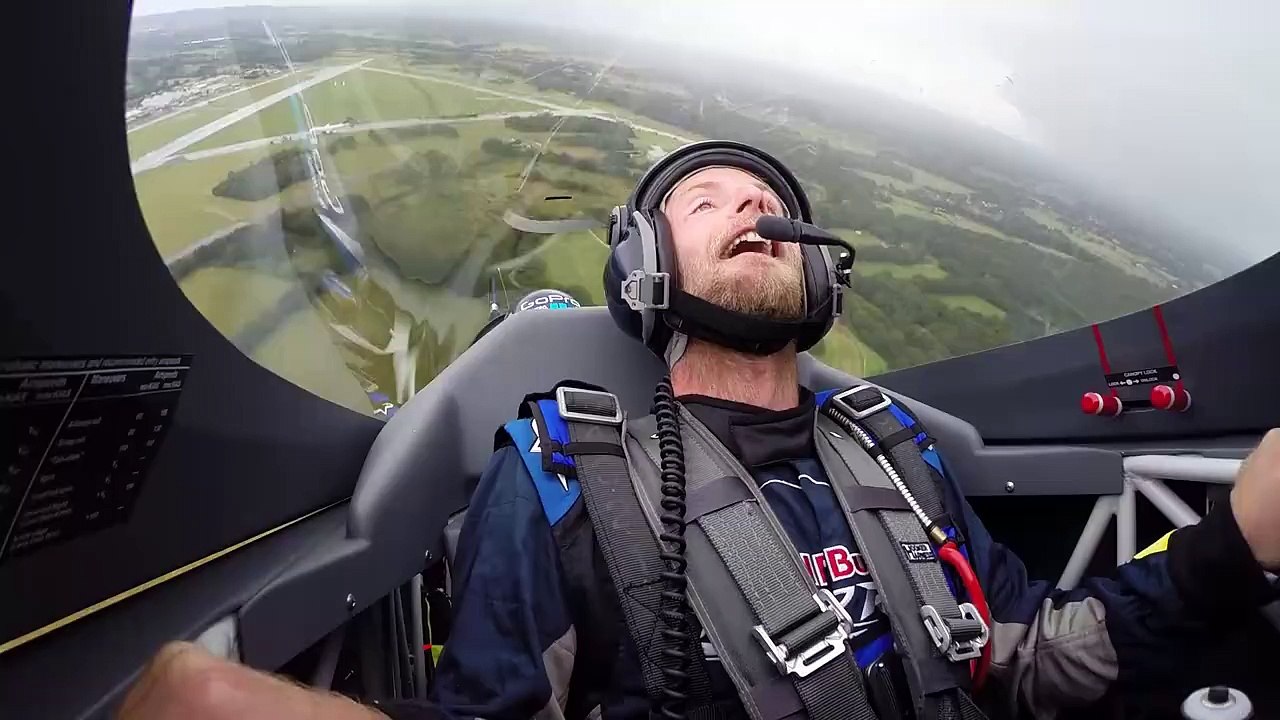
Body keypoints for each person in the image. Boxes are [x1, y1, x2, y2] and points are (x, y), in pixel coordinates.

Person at [119, 142, 1280, 720]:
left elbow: (1031, 657)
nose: (750, 212)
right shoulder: (565, 472)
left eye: (764, 201)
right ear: (640, 265)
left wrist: (1239, 538)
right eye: (703, 199)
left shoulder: (893, 448)